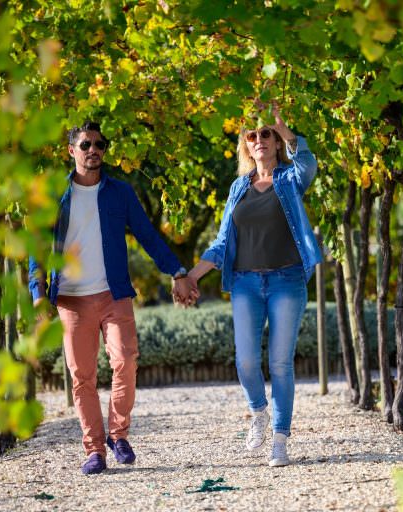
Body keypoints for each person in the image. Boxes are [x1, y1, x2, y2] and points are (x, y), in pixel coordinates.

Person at [28, 121, 195, 475]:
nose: (94, 150)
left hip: (113, 293)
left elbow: (148, 235)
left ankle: (118, 436)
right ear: (71, 151)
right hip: (70, 300)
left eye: (100, 144)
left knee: (126, 361)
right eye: (86, 144)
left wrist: (177, 271)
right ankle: (94, 450)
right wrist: (37, 294)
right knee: (82, 375)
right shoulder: (52, 195)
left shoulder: (120, 192)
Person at [185, 105, 320, 467]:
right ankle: (258, 411)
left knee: (280, 363)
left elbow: (308, 165)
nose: (259, 139)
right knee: (245, 362)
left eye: (265, 134)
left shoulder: (290, 180)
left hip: (286, 280)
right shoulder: (238, 187)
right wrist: (191, 276)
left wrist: (288, 131)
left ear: (276, 143)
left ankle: (280, 438)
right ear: (246, 145)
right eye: (252, 135)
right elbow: (222, 240)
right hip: (245, 282)